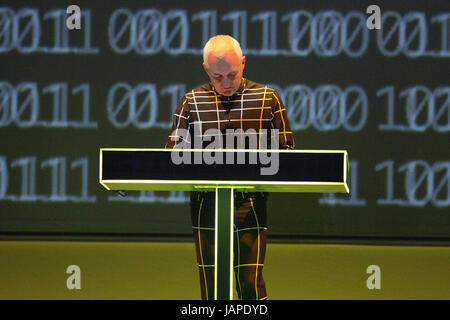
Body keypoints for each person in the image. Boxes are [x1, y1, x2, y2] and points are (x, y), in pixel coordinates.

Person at [165, 35, 294, 300]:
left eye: (232, 75)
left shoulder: (268, 99)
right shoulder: (191, 101)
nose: (226, 84)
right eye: (217, 77)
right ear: (205, 69)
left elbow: (288, 153)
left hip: (251, 203)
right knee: (212, 286)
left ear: (244, 63)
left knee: (250, 283)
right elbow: (171, 156)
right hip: (205, 204)